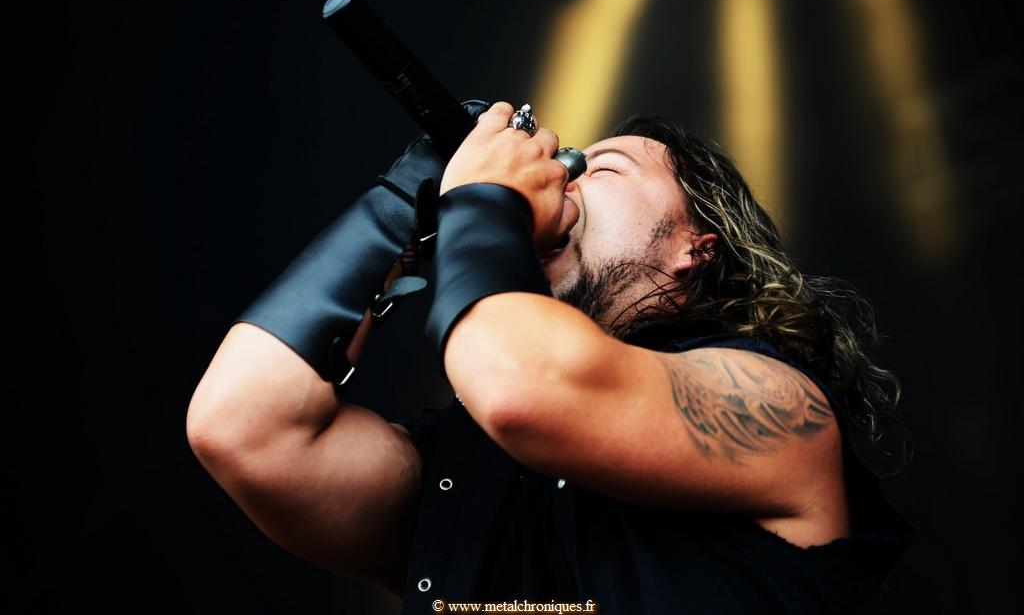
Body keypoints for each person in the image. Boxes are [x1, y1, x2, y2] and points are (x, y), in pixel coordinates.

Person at [187, 101, 914, 614]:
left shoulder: (774, 403)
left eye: (602, 169)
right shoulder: (469, 467)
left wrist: (484, 198)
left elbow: (525, 387)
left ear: (696, 248)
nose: (560, 176)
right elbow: (245, 427)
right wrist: (399, 202)